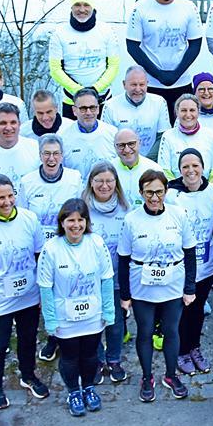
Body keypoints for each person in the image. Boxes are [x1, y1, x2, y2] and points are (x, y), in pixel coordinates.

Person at [0, 173, 49, 409]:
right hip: (0, 298)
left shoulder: (29, 219)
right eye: (0, 198)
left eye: (10, 196)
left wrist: (44, 294)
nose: (6, 202)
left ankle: (28, 375)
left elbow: (40, 257)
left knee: (28, 339)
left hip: (29, 295)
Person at [118, 170, 197, 402]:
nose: (154, 197)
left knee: (172, 331)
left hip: (172, 282)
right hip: (142, 284)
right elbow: (123, 258)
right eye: (149, 192)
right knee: (144, 332)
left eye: (159, 192)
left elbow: (190, 252)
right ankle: (146, 377)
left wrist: (190, 287)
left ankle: (171, 376)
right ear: (141, 193)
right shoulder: (131, 219)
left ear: (166, 191)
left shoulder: (178, 215)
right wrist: (125, 295)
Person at [38, 198, 116, 417]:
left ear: (87, 222)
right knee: (70, 356)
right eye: (70, 220)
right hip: (65, 317)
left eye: (80, 220)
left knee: (90, 355)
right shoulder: (51, 248)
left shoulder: (96, 243)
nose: (76, 225)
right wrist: (50, 320)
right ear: (62, 222)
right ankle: (74, 391)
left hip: (93, 314)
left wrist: (109, 312)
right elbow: (45, 286)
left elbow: (107, 279)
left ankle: (89, 387)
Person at [17, 134, 84, 364]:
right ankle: (52, 336)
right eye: (47, 153)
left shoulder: (75, 178)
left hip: (67, 246)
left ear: (63, 156)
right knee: (46, 295)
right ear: (40, 155)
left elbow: (80, 213)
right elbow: (23, 219)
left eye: (56, 153)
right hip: (39, 250)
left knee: (68, 290)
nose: (51, 158)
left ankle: (72, 333)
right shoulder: (27, 181)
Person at [167, 149, 213, 376]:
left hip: (206, 262)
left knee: (198, 309)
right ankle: (181, 351)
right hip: (181, 265)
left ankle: (194, 348)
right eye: (185, 167)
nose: (191, 171)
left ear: (203, 167)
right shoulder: (171, 194)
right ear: (179, 170)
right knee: (182, 310)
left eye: (195, 165)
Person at [126, 0, 203, 116]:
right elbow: (132, 46)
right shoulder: (140, 8)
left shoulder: (189, 7)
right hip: (151, 83)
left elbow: (195, 45)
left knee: (182, 127)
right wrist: (159, 74)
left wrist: (176, 74)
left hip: (181, 81)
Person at [83, 162, 130, 383]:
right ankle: (97, 360)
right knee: (93, 321)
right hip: (90, 278)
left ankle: (113, 359)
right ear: (91, 182)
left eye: (109, 180)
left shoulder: (125, 208)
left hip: (117, 275)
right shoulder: (82, 209)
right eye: (99, 181)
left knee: (115, 321)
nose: (104, 185)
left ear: (116, 183)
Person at [48, 0, 120, 120]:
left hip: (102, 99)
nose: (82, 9)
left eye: (86, 5)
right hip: (72, 101)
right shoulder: (59, 34)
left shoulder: (107, 31)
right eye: (77, 5)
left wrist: (95, 89)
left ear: (93, 7)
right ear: (71, 7)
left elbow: (114, 66)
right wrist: (79, 92)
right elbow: (55, 70)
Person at [102, 66, 171, 158]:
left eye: (141, 85)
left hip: (151, 161)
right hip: (122, 160)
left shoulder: (159, 102)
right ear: (124, 84)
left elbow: (162, 136)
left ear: (147, 84)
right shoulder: (110, 106)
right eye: (133, 85)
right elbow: (107, 140)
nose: (138, 89)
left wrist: (147, 162)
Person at [157, 94, 213, 185]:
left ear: (198, 112)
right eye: (183, 110)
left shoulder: (211, 135)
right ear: (177, 112)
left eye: (192, 110)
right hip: (176, 193)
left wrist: (207, 191)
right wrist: (177, 191)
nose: (188, 115)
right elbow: (164, 170)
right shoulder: (168, 136)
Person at [57, 87, 118, 176]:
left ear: (98, 109)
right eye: (83, 108)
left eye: (92, 108)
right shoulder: (63, 137)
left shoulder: (113, 134)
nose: (88, 113)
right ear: (74, 110)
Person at [112, 127, 163, 209]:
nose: (127, 150)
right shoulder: (108, 170)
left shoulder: (154, 169)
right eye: (121, 145)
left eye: (131, 144)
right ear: (114, 147)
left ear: (139, 143)